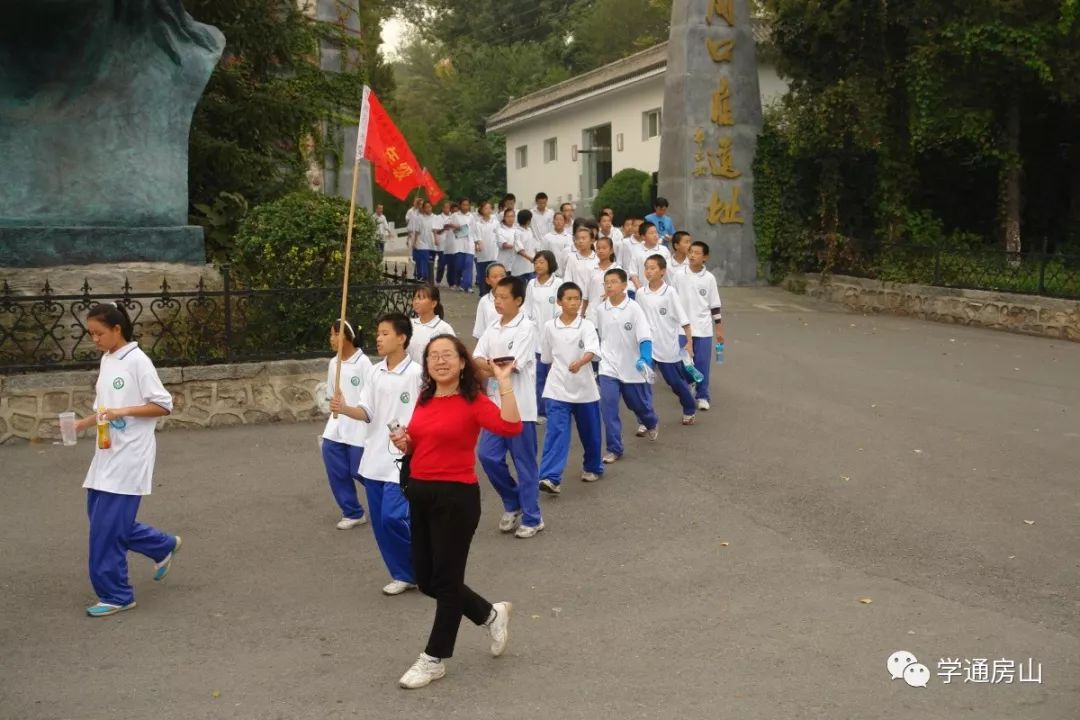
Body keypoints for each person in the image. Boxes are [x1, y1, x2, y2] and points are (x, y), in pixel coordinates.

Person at [390, 335, 519, 689]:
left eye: (448, 355)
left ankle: (434, 658)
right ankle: (489, 614)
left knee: (446, 582)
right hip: (421, 493)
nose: (440, 361)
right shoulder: (425, 398)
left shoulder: (473, 400)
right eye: (434, 355)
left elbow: (511, 426)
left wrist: (503, 382)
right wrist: (406, 442)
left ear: (463, 362)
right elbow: (422, 442)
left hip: (456, 498)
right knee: (427, 578)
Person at [73, 302, 179, 617]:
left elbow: (163, 405)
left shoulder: (138, 362)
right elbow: (106, 408)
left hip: (130, 455)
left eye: (99, 333)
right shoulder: (108, 360)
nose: (94, 339)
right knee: (102, 520)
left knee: (106, 529)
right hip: (106, 453)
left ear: (117, 329)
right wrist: (83, 423)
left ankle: (117, 594)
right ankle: (161, 545)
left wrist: (124, 411)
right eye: (90, 333)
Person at [331, 313, 421, 595]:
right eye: (378, 333)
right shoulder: (374, 371)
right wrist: (344, 407)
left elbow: (424, 414)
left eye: (384, 333)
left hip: (403, 458)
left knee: (394, 517)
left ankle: (423, 562)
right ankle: (403, 574)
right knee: (381, 524)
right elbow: (367, 413)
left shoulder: (417, 374)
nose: (378, 339)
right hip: (375, 459)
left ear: (402, 338)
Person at [473, 276, 544, 538]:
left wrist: (491, 367)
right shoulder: (493, 327)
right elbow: (477, 358)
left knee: (524, 463)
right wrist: (494, 368)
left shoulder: (527, 328)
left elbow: (512, 366)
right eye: (495, 297)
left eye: (503, 297)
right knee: (488, 456)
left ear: (518, 300)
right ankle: (513, 502)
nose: (498, 302)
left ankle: (533, 517)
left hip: (520, 408)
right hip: (494, 406)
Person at [537, 282, 603, 493]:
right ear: (559, 301)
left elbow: (592, 350)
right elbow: (546, 356)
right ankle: (550, 476)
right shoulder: (549, 326)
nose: (574, 303)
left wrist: (581, 362)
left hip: (584, 389)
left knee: (590, 432)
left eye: (577, 299)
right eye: (569, 299)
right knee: (556, 431)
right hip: (557, 387)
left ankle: (592, 466)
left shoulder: (586, 325)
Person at [595, 268, 659, 464]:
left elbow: (644, 336)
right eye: (607, 282)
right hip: (608, 366)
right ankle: (614, 448)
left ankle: (650, 421)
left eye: (614, 281)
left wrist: (645, 358)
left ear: (624, 286)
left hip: (632, 367)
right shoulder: (600, 309)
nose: (609, 285)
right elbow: (597, 336)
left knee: (638, 405)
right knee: (608, 407)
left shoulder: (634, 308)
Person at [321, 319, 373, 529]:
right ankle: (352, 512)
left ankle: (396, 496)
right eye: (331, 335)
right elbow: (331, 394)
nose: (331, 339)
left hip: (359, 426)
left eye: (335, 334)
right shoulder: (334, 363)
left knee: (359, 470)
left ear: (347, 337)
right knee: (335, 468)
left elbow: (371, 397)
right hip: (335, 426)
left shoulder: (364, 363)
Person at [636, 256, 697, 425]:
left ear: (662, 271)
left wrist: (689, 342)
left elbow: (684, 320)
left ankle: (689, 408)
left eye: (653, 268)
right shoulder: (640, 293)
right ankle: (644, 420)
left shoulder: (669, 292)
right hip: (647, 346)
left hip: (667, 346)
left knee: (674, 382)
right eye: (646, 267)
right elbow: (637, 319)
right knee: (642, 382)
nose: (649, 271)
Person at [675, 241, 725, 412]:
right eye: (691, 252)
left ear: (705, 257)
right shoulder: (678, 274)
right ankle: (690, 383)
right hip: (681, 327)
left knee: (702, 363)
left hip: (703, 328)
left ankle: (702, 395)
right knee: (684, 362)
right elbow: (671, 299)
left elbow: (715, 305)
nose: (692, 255)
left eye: (697, 253)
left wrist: (718, 328)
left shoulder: (709, 278)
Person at [524, 250, 561, 422]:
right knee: (538, 376)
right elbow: (527, 309)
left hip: (554, 338)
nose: (538, 265)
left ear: (550, 264)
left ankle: (557, 407)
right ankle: (541, 410)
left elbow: (561, 309)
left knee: (554, 375)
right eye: (536, 262)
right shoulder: (532, 284)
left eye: (542, 262)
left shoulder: (558, 283)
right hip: (536, 337)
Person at [408, 284, 455, 365]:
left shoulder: (444, 328)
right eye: (415, 298)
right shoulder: (409, 324)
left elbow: (453, 354)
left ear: (433, 303)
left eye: (421, 298)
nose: (416, 302)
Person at [626, 221, 671, 293]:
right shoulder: (636, 250)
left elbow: (668, 272)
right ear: (643, 236)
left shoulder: (664, 250)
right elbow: (633, 273)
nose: (655, 235)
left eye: (656, 232)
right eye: (651, 233)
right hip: (643, 290)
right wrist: (640, 290)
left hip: (662, 291)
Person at [583, 235, 620, 323]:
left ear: (611, 250)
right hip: (592, 316)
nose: (601, 250)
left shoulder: (617, 269)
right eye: (598, 248)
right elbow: (586, 296)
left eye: (604, 248)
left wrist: (612, 294)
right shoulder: (592, 269)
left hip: (611, 315)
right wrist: (582, 314)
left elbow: (623, 292)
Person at [562, 224, 600, 295]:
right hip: (576, 298)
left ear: (592, 240)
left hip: (594, 297)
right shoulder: (572, 258)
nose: (580, 241)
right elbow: (568, 279)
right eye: (578, 238)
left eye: (583, 238)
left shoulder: (598, 258)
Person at [472, 263, 507, 339]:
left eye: (502, 276)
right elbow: (479, 331)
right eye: (495, 277)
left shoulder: (515, 299)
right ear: (487, 280)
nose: (499, 279)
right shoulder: (484, 301)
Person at [473, 201, 500, 296]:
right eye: (485, 208)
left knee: (493, 274)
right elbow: (476, 236)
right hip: (482, 253)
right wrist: (478, 243)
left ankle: (493, 293)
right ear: (481, 210)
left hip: (493, 253)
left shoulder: (495, 223)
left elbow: (499, 235)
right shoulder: (478, 224)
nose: (488, 210)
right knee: (482, 275)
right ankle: (483, 294)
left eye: (489, 208)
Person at [449, 198, 475, 292]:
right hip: (459, 244)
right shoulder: (455, 216)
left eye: (467, 205)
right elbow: (447, 225)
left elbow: (474, 229)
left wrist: (476, 242)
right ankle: (458, 282)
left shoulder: (471, 216)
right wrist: (454, 226)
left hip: (469, 243)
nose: (465, 207)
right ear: (460, 205)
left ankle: (467, 286)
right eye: (463, 205)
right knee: (459, 266)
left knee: (468, 265)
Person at [413, 201, 436, 282]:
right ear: (423, 208)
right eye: (426, 207)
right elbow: (417, 231)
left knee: (430, 262)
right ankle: (424, 276)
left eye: (429, 207)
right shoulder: (419, 218)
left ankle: (429, 278)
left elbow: (437, 230)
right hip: (422, 243)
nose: (428, 209)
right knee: (423, 260)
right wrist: (414, 242)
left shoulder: (435, 217)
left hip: (432, 244)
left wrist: (436, 239)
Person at [511, 209, 537, 281]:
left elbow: (533, 246)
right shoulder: (517, 232)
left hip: (530, 267)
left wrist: (536, 256)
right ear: (528, 220)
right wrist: (530, 258)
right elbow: (519, 250)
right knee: (520, 289)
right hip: (520, 268)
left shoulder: (529, 230)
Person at [433, 200, 453, 287]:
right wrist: (444, 229)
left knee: (451, 265)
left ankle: (451, 282)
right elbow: (437, 231)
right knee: (441, 264)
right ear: (442, 208)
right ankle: (438, 280)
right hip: (442, 245)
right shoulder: (438, 218)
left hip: (451, 245)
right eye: (445, 207)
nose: (447, 209)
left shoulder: (452, 217)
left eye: (448, 207)